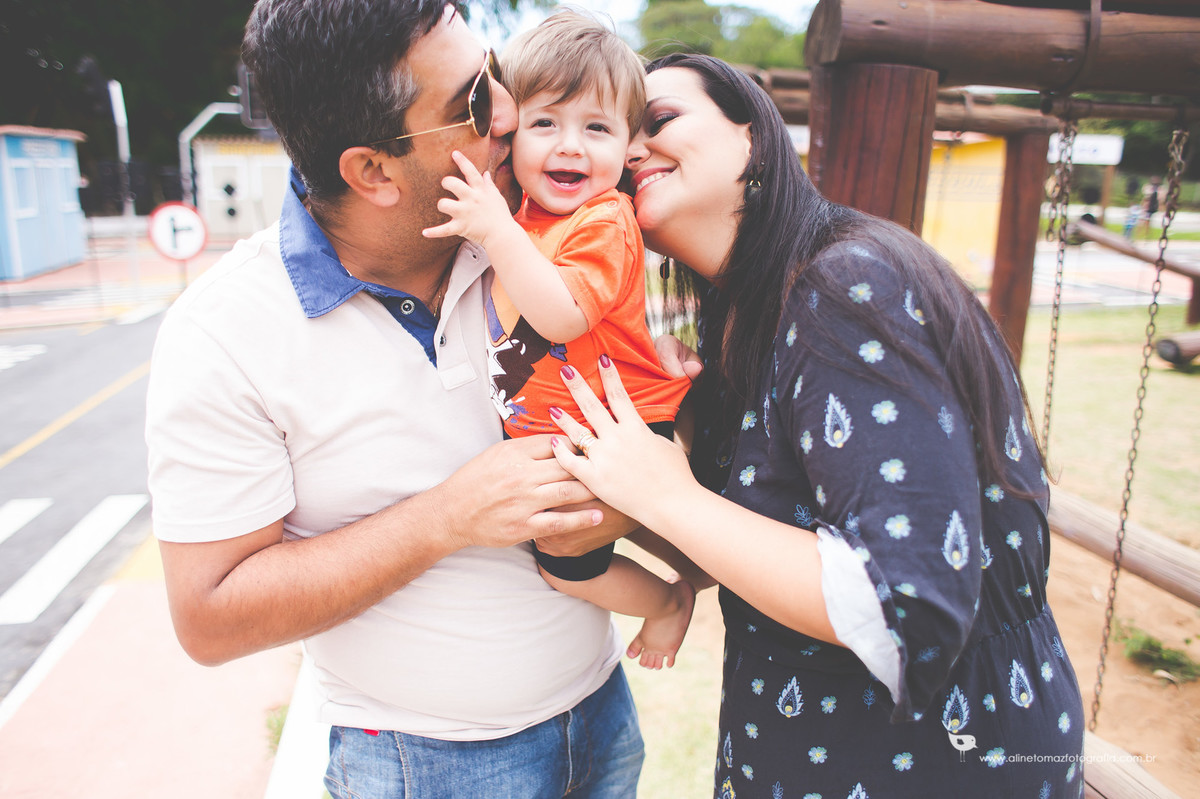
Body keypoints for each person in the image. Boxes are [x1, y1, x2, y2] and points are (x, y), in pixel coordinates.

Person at [144, 2, 661, 796]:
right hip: (426, 766)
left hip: (601, 715)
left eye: (494, 75)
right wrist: (446, 516)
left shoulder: (530, 232)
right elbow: (210, 615)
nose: (512, 115)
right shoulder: (223, 334)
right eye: (473, 105)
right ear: (372, 171)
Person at [544, 53, 1086, 797]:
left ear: (754, 140)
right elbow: (734, 551)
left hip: (940, 759)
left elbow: (907, 605)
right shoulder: (745, 317)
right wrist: (666, 430)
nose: (629, 148)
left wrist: (670, 496)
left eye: (659, 119)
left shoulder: (845, 283)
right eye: (618, 131)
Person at [423, 10, 695, 670]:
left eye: (596, 128)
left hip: (623, 434)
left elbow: (564, 314)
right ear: (510, 132)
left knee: (566, 570)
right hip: (576, 438)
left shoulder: (604, 220)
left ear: (628, 147)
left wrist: (496, 232)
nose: (570, 146)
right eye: (546, 123)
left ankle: (667, 602)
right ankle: (683, 554)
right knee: (597, 538)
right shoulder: (526, 213)